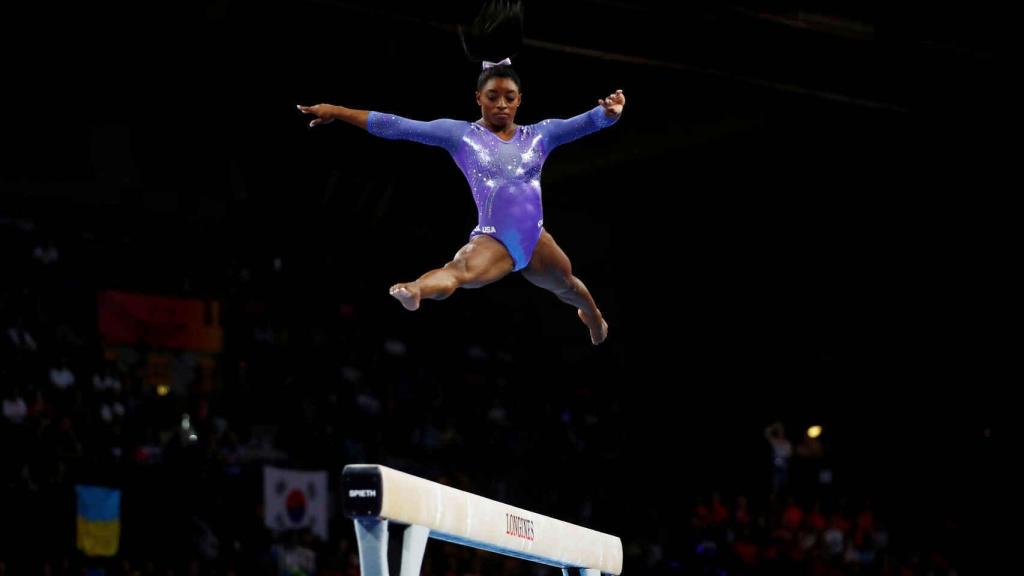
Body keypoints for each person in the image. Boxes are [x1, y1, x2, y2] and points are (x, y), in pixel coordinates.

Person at [297, 1, 624, 344]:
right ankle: (416, 289)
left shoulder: (540, 135)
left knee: (569, 286)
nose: (501, 104)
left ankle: (594, 318)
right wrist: (337, 110)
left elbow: (586, 122)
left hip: (537, 239)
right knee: (460, 271)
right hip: (495, 239)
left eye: (509, 97)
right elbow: (396, 126)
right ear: (477, 98)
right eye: (493, 96)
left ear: (519, 100)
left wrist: (610, 114)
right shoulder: (461, 136)